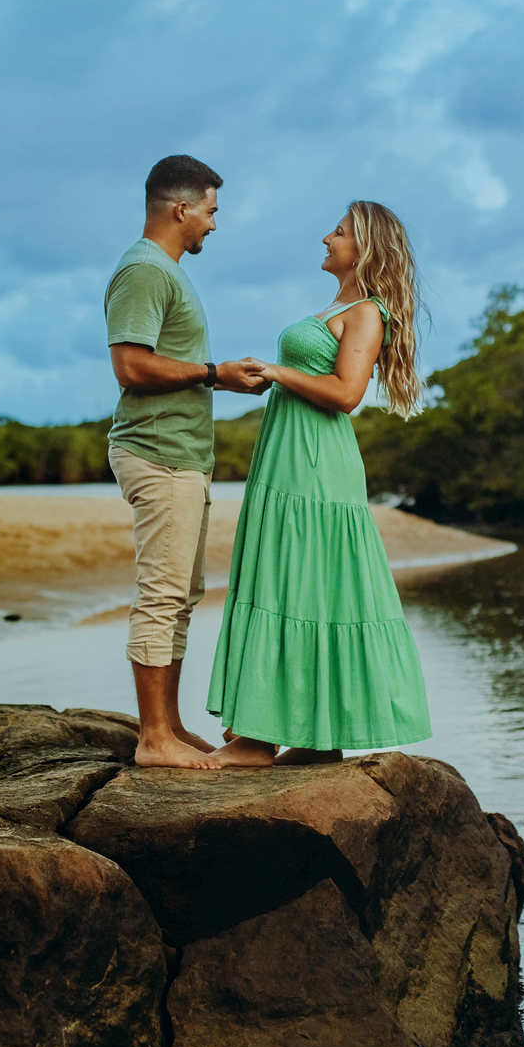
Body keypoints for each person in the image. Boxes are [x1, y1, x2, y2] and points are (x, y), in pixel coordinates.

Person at [207, 200, 432, 767]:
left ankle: (263, 739)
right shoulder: (340, 305)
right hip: (288, 455)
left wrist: (279, 371)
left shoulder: (367, 312)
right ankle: (313, 738)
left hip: (314, 463)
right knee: (294, 579)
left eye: (338, 231)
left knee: (302, 582)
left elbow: (347, 393)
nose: (326, 238)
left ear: (366, 246)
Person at [105, 154, 268, 770]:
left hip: (182, 457)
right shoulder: (144, 271)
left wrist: (222, 378)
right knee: (163, 594)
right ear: (181, 209)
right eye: (211, 211)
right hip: (158, 454)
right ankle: (153, 740)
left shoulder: (166, 272)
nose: (214, 224)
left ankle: (169, 725)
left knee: (183, 594)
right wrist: (215, 374)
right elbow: (130, 366)